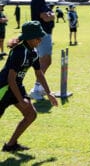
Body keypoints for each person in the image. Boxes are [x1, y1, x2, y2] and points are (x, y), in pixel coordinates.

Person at [0, 21, 58, 152]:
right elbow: (10, 78)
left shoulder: (33, 52)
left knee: (31, 115)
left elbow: (39, 73)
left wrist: (49, 93)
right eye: (39, 37)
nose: (41, 39)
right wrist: (20, 100)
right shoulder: (20, 52)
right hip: (3, 88)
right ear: (31, 38)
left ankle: (10, 145)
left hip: (16, 87)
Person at [30, 0, 55, 100]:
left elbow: (48, 14)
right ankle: (36, 89)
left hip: (44, 34)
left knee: (44, 61)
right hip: (42, 34)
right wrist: (52, 15)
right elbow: (45, 17)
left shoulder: (41, 0)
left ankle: (39, 88)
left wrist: (51, 14)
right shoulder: (37, 0)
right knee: (45, 61)